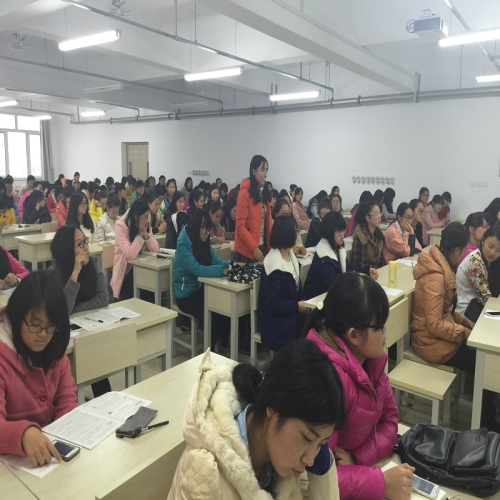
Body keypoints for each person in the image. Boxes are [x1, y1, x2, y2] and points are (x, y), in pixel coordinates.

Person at [167, 340, 345, 500]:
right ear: (273, 407)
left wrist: (322, 470)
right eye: (307, 437)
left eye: (321, 444)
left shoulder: (289, 459)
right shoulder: (204, 472)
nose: (310, 460)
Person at [304, 272, 412, 500]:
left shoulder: (370, 361)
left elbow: (390, 420)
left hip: (360, 470)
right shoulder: (327, 380)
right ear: (353, 335)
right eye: (379, 326)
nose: (385, 331)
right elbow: (314, 478)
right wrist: (380, 483)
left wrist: (358, 457)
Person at [0, 272, 78, 466]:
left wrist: (70, 429)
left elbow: (66, 399)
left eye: (51, 326)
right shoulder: (3, 356)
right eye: (35, 325)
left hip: (45, 460)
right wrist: (23, 434)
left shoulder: (54, 348)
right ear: (17, 316)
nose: (43, 335)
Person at [411, 222, 475, 369]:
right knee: (482, 362)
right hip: (429, 343)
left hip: (435, 337)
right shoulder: (436, 276)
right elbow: (434, 324)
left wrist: (462, 320)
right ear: (456, 250)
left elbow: (442, 310)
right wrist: (463, 332)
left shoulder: (441, 264)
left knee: (480, 355)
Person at [172, 209, 230, 352]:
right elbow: (197, 269)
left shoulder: (202, 241)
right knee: (213, 318)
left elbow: (216, 260)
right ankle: (209, 355)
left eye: (208, 229)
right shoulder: (183, 243)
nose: (207, 232)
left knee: (224, 309)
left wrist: (232, 265)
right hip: (185, 295)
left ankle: (223, 347)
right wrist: (222, 271)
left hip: (200, 290)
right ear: (196, 226)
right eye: (204, 228)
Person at [258, 215, 308, 351]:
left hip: (290, 314)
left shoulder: (291, 257)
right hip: (276, 323)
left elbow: (298, 291)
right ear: (288, 234)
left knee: (315, 321)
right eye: (295, 231)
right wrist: (297, 306)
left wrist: (306, 305)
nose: (297, 234)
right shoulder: (274, 264)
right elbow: (274, 304)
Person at [304, 211, 377, 299]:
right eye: (338, 231)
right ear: (329, 231)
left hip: (331, 296)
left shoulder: (338, 248)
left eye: (343, 230)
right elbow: (333, 281)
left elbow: (349, 269)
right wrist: (357, 277)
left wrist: (366, 271)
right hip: (315, 300)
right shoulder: (322, 255)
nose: (342, 235)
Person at [48, 225, 108, 326]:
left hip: (92, 321)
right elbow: (63, 310)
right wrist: (75, 272)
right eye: (80, 244)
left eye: (85, 241)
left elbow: (103, 298)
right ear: (67, 249)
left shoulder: (92, 262)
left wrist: (75, 309)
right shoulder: (53, 274)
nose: (86, 247)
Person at [110, 200, 159, 299]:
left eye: (148, 217)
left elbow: (156, 250)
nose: (147, 220)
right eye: (145, 217)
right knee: (145, 290)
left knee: (151, 286)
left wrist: (145, 234)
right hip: (125, 273)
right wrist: (140, 234)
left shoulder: (146, 225)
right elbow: (130, 254)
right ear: (136, 216)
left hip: (142, 268)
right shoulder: (121, 226)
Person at [457, 226, 500, 322]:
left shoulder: (485, 257)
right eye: (490, 246)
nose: (493, 253)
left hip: (476, 305)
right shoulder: (475, 261)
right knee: (497, 320)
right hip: (465, 312)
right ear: (483, 240)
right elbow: (485, 299)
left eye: (498, 250)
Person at [234, 155, 272, 263]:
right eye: (262, 170)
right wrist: (253, 248)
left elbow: (267, 224)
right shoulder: (244, 194)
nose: (265, 174)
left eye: (266, 170)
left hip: (263, 247)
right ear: (254, 171)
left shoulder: (264, 193)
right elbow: (240, 227)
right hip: (248, 251)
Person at [351, 201, 386, 269]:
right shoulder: (360, 236)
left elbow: (382, 261)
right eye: (376, 214)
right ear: (368, 218)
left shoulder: (378, 234)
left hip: (378, 272)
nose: (379, 217)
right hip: (366, 274)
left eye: (380, 213)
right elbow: (359, 266)